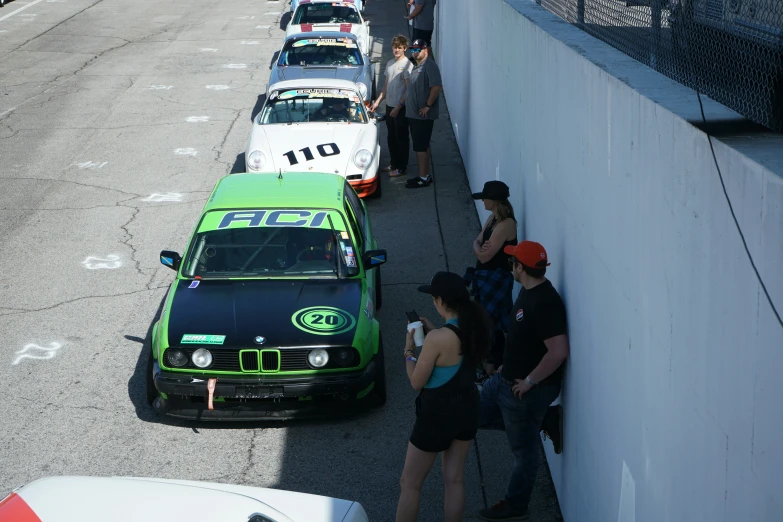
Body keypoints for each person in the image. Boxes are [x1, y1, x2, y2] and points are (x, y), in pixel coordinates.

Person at [477, 241, 569, 521]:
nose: (511, 267)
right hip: (504, 380)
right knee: (472, 415)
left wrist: (529, 380)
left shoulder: (544, 302)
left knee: (525, 453)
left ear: (520, 268)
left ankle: (516, 506)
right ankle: (544, 420)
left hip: (523, 393)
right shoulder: (528, 292)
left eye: (512, 263)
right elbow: (527, 340)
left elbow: (558, 351)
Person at [396, 271, 492, 522]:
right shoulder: (476, 325)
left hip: (437, 414)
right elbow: (456, 350)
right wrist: (436, 331)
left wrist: (408, 351)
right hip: (468, 408)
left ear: (439, 301)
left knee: (410, 483)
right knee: (454, 479)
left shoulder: (437, 339)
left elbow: (417, 381)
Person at [464, 180, 517, 381]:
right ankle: (487, 364)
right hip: (486, 278)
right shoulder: (492, 219)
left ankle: (493, 366)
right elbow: (477, 242)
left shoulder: (506, 224)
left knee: (492, 322)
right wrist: (480, 247)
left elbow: (484, 255)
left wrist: (479, 248)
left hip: (496, 279)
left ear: (493, 201)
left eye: (485, 198)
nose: (483, 201)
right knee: (484, 321)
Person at [371, 35, 414, 178]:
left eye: (400, 47)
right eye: (395, 47)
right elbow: (385, 85)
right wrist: (378, 101)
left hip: (400, 108)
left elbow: (409, 90)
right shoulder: (390, 63)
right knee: (391, 138)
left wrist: (399, 105)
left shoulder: (407, 65)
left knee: (401, 138)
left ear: (405, 49)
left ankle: (402, 167)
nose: (397, 50)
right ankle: (394, 163)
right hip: (389, 106)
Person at [404, 39, 441, 189]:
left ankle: (423, 177)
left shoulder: (429, 65)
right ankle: (425, 174)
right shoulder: (417, 65)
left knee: (420, 147)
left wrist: (428, 106)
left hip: (422, 115)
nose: (415, 52)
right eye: (412, 49)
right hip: (414, 114)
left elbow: (436, 87)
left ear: (426, 50)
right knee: (422, 145)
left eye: (418, 49)